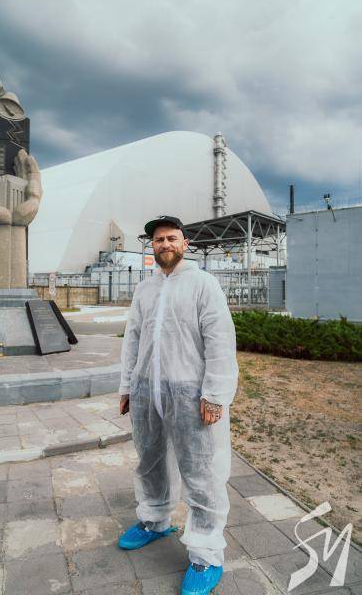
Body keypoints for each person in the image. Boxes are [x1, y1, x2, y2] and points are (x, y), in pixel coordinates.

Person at [117, 215, 239, 595]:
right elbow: (132, 340)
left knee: (201, 470)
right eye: (159, 240)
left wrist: (215, 395)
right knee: (149, 459)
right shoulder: (145, 289)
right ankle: (154, 520)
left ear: (185, 244)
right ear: (152, 247)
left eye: (172, 238)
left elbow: (219, 341)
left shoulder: (203, 284)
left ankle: (206, 554)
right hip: (146, 391)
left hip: (190, 394)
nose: (165, 244)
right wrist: (127, 387)